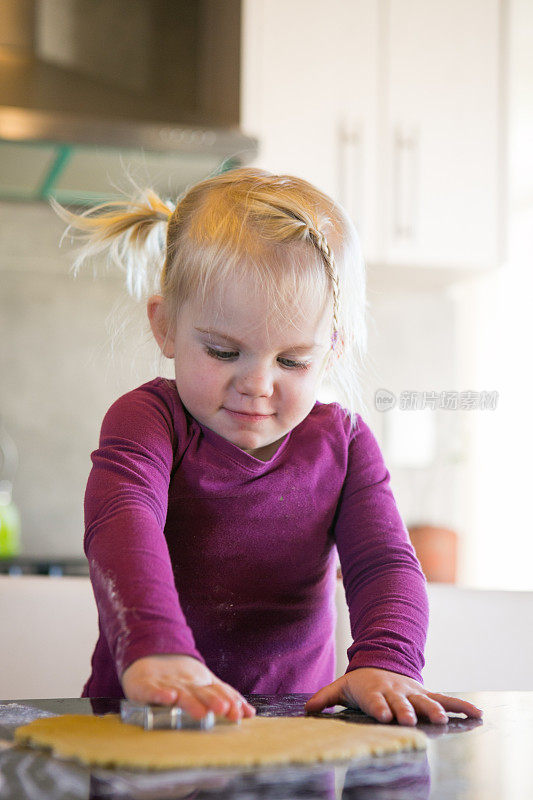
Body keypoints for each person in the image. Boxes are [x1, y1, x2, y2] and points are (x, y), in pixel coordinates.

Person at [54, 168, 482, 727]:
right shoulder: (147, 421)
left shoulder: (346, 445)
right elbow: (122, 524)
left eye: (292, 361)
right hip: (150, 720)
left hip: (295, 731)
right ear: (166, 327)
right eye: (223, 352)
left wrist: (387, 660)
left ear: (330, 351)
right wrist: (157, 648)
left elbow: (384, 564)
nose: (257, 384)